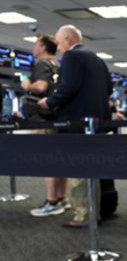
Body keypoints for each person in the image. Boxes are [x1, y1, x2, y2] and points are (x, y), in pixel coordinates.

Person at [38, 25, 112, 227]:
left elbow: (67, 87)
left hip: (76, 123)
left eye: (60, 42)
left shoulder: (72, 56)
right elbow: (110, 87)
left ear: (69, 40)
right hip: (97, 124)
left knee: (78, 171)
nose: (59, 47)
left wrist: (49, 103)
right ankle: (92, 212)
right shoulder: (97, 58)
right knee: (91, 170)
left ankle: (83, 216)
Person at [23, 34, 69, 217]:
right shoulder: (57, 64)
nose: (34, 47)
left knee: (46, 160)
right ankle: (61, 198)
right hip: (56, 117)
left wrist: (27, 84)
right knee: (59, 160)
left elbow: (40, 87)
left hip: (42, 118)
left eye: (36, 44)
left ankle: (51, 202)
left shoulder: (42, 64)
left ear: (42, 46)